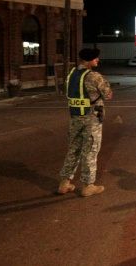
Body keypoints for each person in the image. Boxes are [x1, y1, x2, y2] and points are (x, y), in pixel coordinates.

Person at [57, 48, 113, 197]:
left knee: (73, 150)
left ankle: (64, 183)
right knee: (90, 151)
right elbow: (108, 94)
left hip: (75, 118)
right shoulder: (94, 76)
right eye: (96, 58)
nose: (98, 60)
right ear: (89, 60)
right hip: (91, 119)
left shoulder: (72, 74)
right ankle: (88, 185)